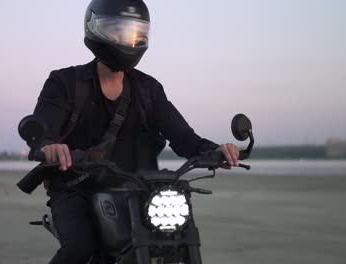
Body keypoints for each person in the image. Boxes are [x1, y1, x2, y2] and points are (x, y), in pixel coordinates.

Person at [32, 0, 240, 263]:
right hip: (76, 187)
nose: (127, 40)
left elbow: (183, 136)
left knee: (177, 240)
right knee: (79, 249)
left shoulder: (148, 89)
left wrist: (213, 151)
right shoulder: (64, 82)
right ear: (95, 29)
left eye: (135, 33)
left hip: (140, 190)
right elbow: (43, 127)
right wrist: (48, 145)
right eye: (117, 30)